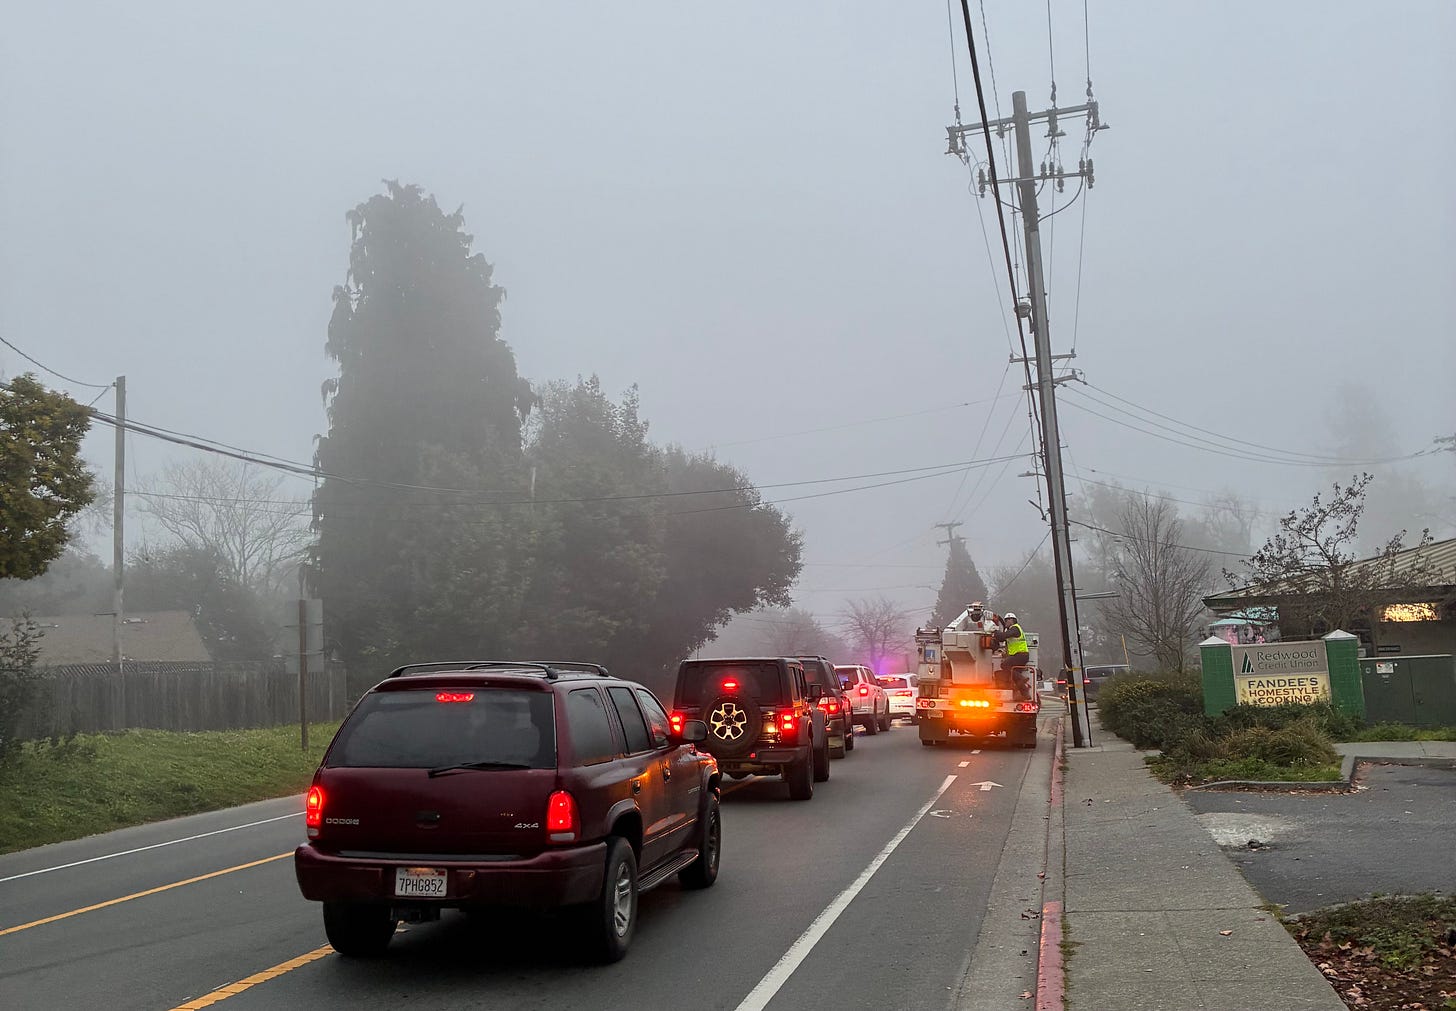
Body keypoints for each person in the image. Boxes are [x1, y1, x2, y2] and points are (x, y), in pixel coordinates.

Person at [993, 612, 1032, 700]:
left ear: (1012, 620)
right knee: (1014, 676)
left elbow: (1002, 636)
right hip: (1020, 655)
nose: (1006, 622)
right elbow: (1002, 638)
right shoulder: (1012, 630)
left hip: (1020, 655)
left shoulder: (1015, 628)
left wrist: (995, 631)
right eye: (1005, 620)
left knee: (1005, 665)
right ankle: (1025, 694)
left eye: (1007, 620)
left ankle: (1022, 679)